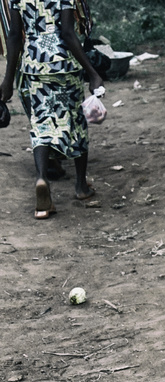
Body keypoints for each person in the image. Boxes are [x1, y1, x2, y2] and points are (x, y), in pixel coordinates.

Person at [0, 0, 102, 219]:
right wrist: (92, 72)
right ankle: (81, 186)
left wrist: (8, 81)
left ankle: (41, 178)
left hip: (34, 66)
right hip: (64, 64)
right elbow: (67, 32)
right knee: (75, 121)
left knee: (41, 123)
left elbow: (15, 35)